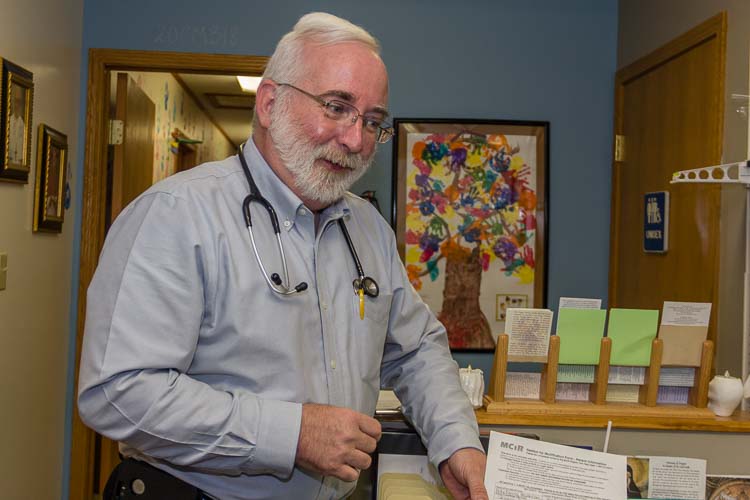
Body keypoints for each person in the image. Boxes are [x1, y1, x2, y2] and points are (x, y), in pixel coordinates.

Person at [78, 12, 488, 500]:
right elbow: (117, 392)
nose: (355, 140)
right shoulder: (176, 215)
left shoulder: (367, 230)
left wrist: (457, 441)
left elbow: (416, 350)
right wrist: (290, 433)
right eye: (336, 107)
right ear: (270, 103)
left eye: (373, 121)